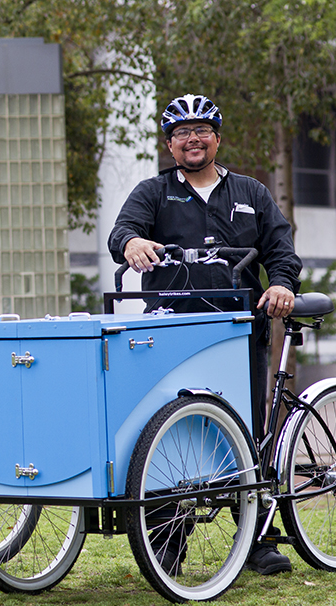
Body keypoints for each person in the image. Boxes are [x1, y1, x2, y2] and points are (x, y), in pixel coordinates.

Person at [108, 93, 302, 576]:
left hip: (238, 331)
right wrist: (131, 243)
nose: (192, 140)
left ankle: (259, 540)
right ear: (170, 146)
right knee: (163, 438)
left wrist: (280, 284)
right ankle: (167, 543)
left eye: (201, 131)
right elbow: (121, 234)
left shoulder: (251, 192)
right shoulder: (153, 192)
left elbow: (281, 250)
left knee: (247, 431)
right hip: (171, 333)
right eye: (180, 134)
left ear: (216, 138)